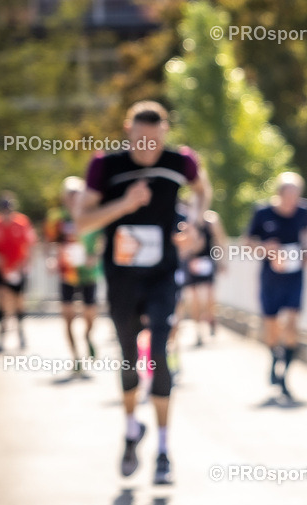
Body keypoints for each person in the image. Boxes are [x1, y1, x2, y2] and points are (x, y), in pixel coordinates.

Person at [74, 100, 209, 485]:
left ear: (165, 132)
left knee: (162, 351)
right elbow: (82, 220)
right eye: (141, 138)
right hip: (122, 279)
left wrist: (195, 223)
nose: (148, 146)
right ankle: (132, 430)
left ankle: (164, 449)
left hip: (164, 274)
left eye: (155, 138)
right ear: (128, 131)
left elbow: (202, 190)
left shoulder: (181, 161)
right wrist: (125, 204)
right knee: (129, 356)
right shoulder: (105, 166)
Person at [245, 172, 307, 400]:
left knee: (293, 323)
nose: (293, 200)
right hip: (270, 277)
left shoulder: (304, 210)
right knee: (271, 326)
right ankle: (274, 355)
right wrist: (266, 248)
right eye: (289, 195)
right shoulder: (262, 212)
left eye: (296, 195)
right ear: (279, 193)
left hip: (294, 275)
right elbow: (247, 243)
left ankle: (284, 375)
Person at [46, 176, 103, 373]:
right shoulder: (58, 218)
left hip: (88, 274)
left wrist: (94, 256)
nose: (73, 198)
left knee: (89, 316)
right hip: (67, 273)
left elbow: (102, 240)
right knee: (68, 317)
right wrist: (52, 258)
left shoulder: (92, 214)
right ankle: (76, 357)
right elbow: (51, 242)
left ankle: (87, 337)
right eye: (69, 194)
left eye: (76, 194)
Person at [0, 192, 36, 353]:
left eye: (8, 208)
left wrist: (25, 264)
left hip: (18, 268)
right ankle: (0, 337)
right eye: (3, 208)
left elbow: (30, 244)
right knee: (0, 301)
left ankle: (20, 333)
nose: (6, 212)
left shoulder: (22, 222)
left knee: (19, 301)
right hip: (0, 269)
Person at [180, 208, 227, 346]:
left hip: (207, 262)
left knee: (209, 297)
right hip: (191, 263)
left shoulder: (211, 220)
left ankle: (211, 319)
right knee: (194, 299)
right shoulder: (185, 220)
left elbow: (220, 240)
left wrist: (221, 261)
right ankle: (198, 331)